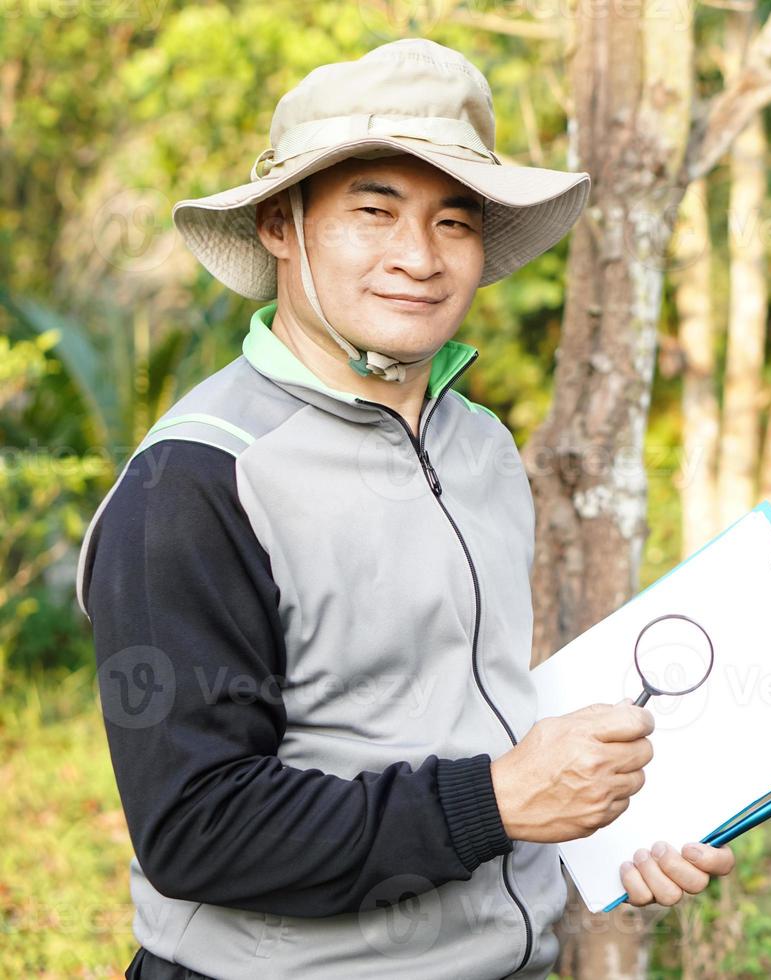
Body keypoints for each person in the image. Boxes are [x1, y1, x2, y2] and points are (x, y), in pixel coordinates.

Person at [75, 38, 734, 980]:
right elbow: (196, 829)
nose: (418, 258)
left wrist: (610, 828)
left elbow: (470, 723)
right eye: (373, 212)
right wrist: (499, 803)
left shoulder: (482, 447)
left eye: (454, 222)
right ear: (279, 224)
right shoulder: (196, 480)